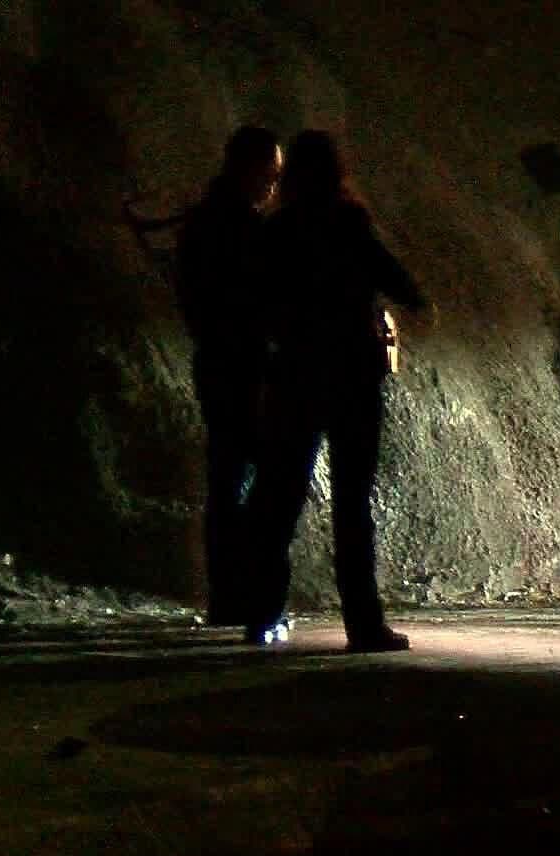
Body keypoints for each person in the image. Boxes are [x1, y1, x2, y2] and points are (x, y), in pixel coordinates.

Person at [244, 130, 427, 651]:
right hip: (351, 375)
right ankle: (363, 625)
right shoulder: (349, 222)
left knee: (279, 497)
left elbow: (256, 298)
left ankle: (263, 614)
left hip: (295, 374)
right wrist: (418, 301)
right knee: (352, 504)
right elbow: (385, 270)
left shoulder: (277, 229)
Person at [173, 126, 282, 626]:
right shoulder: (243, 228)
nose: (273, 185)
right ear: (248, 169)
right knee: (254, 480)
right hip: (243, 366)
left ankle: (228, 595)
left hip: (219, 362)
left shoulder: (202, 222)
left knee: (228, 479)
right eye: (269, 174)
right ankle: (246, 592)